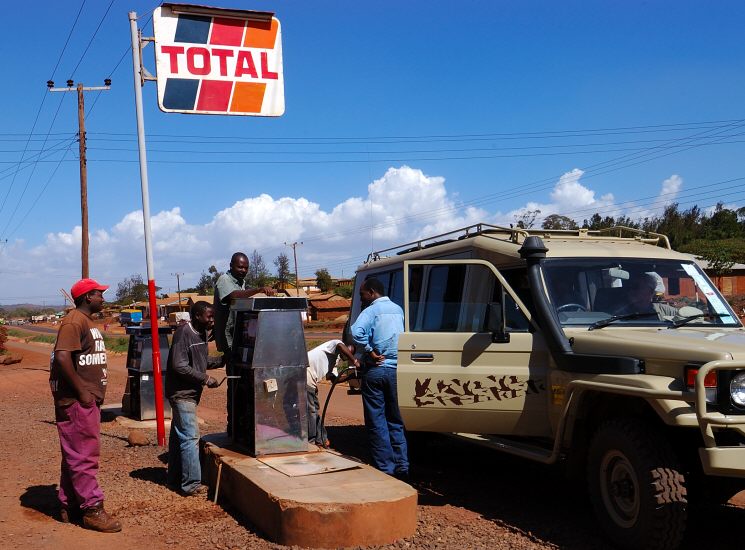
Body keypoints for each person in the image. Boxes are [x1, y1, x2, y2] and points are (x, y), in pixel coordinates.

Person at [49, 278, 121, 532]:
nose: (103, 298)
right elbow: (61, 357)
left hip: (86, 399)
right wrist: (82, 392)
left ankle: (69, 505)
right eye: (99, 294)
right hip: (78, 401)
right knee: (84, 456)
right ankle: (92, 509)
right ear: (87, 297)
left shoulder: (86, 322)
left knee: (74, 454)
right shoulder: (74, 321)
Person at [350, 278, 409, 480]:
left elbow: (355, 332)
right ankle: (402, 465)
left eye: (362, 295)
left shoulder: (371, 311)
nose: (362, 299)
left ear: (372, 292)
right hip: (395, 370)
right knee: (395, 420)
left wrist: (369, 350)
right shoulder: (398, 309)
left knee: (377, 421)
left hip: (376, 370)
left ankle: (386, 468)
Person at [212, 252, 275, 436]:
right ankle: (233, 429)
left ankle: (244, 427)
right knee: (235, 387)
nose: (243, 270)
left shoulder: (241, 282)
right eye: (240, 267)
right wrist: (260, 289)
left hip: (240, 342)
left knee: (245, 387)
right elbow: (233, 297)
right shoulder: (224, 280)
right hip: (230, 345)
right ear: (231, 265)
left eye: (246, 267)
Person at [166, 301, 221, 496]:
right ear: (197, 316)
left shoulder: (201, 334)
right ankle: (191, 484)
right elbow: (179, 365)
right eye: (209, 317)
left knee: (178, 437)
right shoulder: (184, 333)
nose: (212, 320)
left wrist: (222, 360)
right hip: (182, 394)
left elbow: (200, 360)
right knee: (190, 437)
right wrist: (205, 378)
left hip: (190, 394)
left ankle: (174, 477)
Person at [306, 340, 359, 447]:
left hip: (312, 381)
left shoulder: (335, 362)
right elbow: (340, 345)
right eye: (346, 352)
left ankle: (321, 439)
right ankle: (311, 441)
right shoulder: (334, 344)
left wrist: (351, 376)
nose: (346, 355)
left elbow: (334, 380)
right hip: (305, 375)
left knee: (315, 411)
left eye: (349, 354)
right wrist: (354, 360)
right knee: (311, 412)